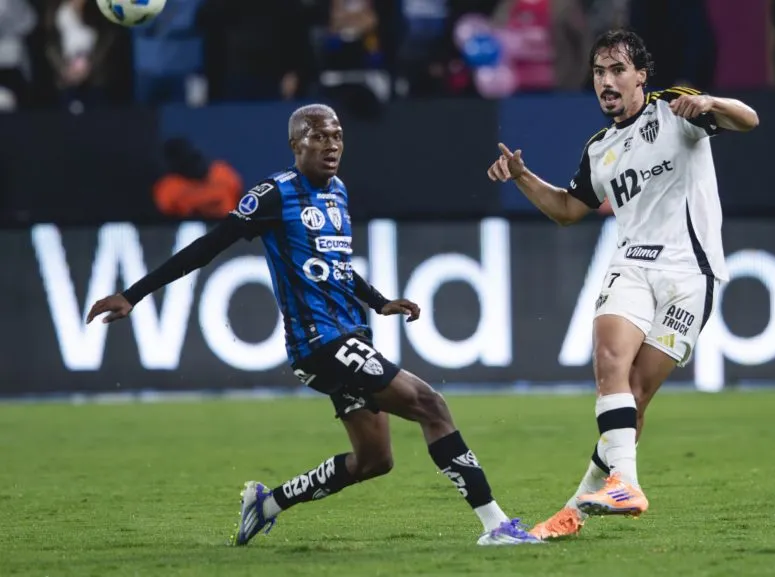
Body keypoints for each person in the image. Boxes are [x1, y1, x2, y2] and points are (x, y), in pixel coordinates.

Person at [87, 104, 542, 547]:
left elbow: (336, 263)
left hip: (349, 335)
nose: (331, 144)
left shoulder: (338, 190)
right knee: (431, 404)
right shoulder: (272, 195)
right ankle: (496, 525)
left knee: (374, 460)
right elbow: (207, 247)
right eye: (318, 136)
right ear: (294, 144)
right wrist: (133, 294)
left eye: (337, 135)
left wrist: (379, 302)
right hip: (320, 341)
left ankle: (267, 505)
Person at [485, 29, 758, 539]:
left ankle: (576, 508)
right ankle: (626, 484)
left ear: (640, 75)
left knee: (633, 395)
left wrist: (710, 102)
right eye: (598, 73)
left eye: (616, 70)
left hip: (688, 274)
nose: (606, 82)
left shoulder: (675, 110)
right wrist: (523, 177)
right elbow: (569, 210)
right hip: (630, 265)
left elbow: (749, 120)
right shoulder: (600, 149)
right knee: (609, 360)